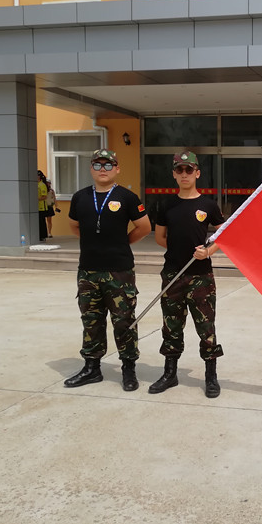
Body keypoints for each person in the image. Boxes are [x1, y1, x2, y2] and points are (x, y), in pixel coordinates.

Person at [64, 149, 151, 392]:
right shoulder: (80, 197)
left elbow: (144, 227)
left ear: (117, 169)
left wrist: (121, 243)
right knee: (91, 320)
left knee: (124, 321)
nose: (103, 169)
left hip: (119, 271)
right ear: (91, 169)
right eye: (98, 165)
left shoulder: (128, 197)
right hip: (88, 271)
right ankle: (92, 368)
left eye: (108, 165)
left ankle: (128, 368)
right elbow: (74, 226)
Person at [149, 151, 226, 398]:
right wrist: (178, 251)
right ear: (174, 174)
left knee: (206, 327)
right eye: (180, 170)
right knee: (171, 326)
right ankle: (170, 373)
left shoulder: (208, 205)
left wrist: (208, 251)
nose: (184, 174)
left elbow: (223, 236)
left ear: (197, 173)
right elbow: (161, 237)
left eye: (189, 170)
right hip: (173, 274)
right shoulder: (166, 204)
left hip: (201, 276)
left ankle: (211, 375)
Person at [37, 170, 49, 241]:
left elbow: (44, 196)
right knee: (38, 222)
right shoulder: (37, 184)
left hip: (42, 207)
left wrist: (36, 199)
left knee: (42, 222)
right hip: (37, 206)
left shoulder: (42, 185)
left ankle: (43, 236)